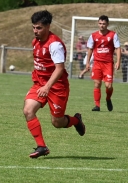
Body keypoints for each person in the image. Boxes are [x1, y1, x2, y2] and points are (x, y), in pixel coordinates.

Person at [23, 10, 85, 159]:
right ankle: (42, 146)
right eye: (34, 27)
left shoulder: (55, 44)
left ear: (48, 26)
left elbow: (59, 69)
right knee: (28, 111)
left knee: (57, 122)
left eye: (39, 28)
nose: (35, 31)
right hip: (40, 83)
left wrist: (47, 86)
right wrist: (40, 83)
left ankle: (76, 120)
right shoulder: (35, 42)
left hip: (57, 87)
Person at [85, 15, 121, 112]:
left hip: (108, 63)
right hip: (97, 63)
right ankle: (97, 105)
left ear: (107, 24)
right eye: (100, 23)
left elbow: (118, 48)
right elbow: (90, 49)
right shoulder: (93, 36)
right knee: (97, 84)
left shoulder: (113, 35)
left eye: (104, 24)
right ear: (98, 24)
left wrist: (118, 61)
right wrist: (88, 62)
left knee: (108, 85)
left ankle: (108, 98)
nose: (102, 25)